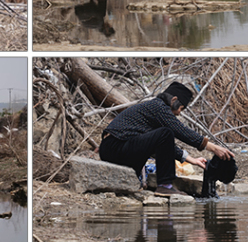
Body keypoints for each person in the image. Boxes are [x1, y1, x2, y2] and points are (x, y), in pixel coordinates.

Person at [99, 82, 235, 197]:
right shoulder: (158, 106)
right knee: (166, 133)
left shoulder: (153, 115)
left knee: (164, 135)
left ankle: (155, 185)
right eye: (180, 109)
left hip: (117, 149)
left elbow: (165, 146)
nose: (178, 113)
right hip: (114, 146)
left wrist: (193, 160)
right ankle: (165, 185)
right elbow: (181, 131)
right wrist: (212, 147)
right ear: (173, 100)